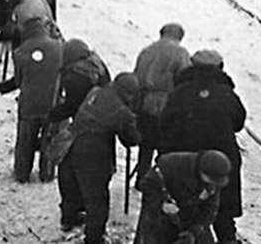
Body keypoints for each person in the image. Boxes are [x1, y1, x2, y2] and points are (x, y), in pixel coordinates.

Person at [158, 50, 246, 244]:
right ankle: (227, 240)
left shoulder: (179, 92)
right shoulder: (226, 94)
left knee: (184, 214)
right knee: (222, 212)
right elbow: (239, 121)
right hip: (221, 159)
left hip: (185, 162)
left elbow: (164, 124)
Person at [57, 73, 140, 244]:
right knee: (97, 199)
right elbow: (130, 139)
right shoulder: (122, 110)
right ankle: (94, 238)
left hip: (71, 143)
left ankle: (68, 218)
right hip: (95, 153)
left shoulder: (95, 92)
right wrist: (137, 127)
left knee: (71, 185)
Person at [0, 18, 64, 183]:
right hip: (52, 104)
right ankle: (47, 173)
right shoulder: (59, 48)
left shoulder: (20, 52)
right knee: (49, 140)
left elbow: (18, 81)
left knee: (25, 141)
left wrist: (0, 87)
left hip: (29, 105)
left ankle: (22, 173)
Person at [135, 150, 232, 244]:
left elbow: (209, 211)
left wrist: (193, 233)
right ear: (201, 171)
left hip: (189, 219)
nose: (212, 186)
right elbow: (146, 185)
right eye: (209, 180)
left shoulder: (213, 182)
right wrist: (161, 204)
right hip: (158, 218)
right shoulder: (170, 164)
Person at [133, 23, 192, 178]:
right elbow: (185, 80)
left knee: (146, 146)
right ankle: (159, 182)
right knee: (165, 148)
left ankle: (141, 177)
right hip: (166, 106)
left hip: (144, 104)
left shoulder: (146, 51)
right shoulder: (180, 53)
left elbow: (136, 76)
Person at [48, 39, 111, 124]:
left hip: (85, 119)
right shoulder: (98, 64)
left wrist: (51, 116)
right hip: (103, 112)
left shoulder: (75, 76)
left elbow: (71, 107)